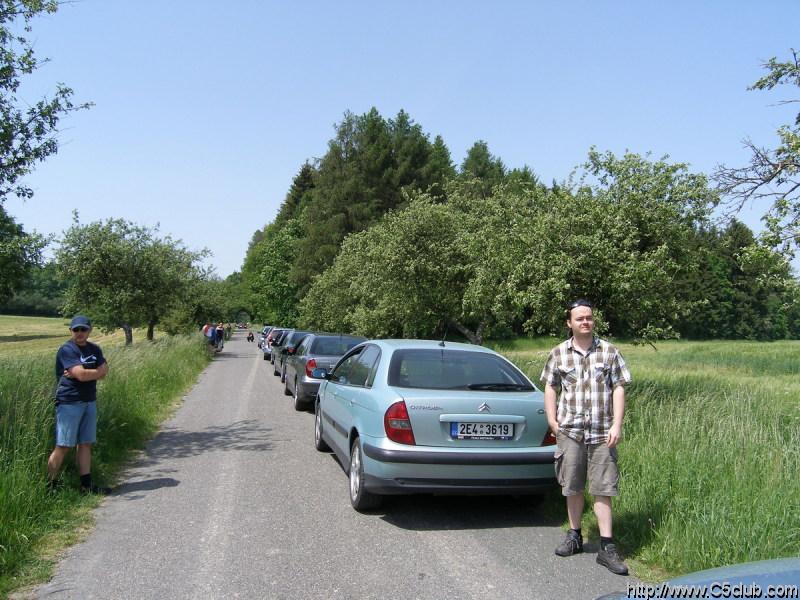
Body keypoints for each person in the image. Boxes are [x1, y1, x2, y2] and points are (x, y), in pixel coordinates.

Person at [540, 299, 632, 575]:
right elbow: (550, 387)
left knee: (604, 487)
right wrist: (552, 421)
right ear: (569, 323)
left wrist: (617, 424)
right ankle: (575, 536)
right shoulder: (559, 353)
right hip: (570, 430)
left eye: (589, 318)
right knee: (573, 485)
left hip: (602, 432)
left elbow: (619, 387)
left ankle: (606, 546)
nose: (585, 322)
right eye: (579, 318)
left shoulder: (609, 352)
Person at [47, 315, 112, 495]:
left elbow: (103, 372)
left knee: (85, 443)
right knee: (63, 445)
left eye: (83, 329)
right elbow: (82, 374)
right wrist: (95, 372)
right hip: (69, 402)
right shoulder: (67, 350)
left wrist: (90, 373)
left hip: (89, 400)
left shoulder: (95, 349)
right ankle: (50, 486)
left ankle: (86, 485)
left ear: (89, 330)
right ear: (71, 331)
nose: (80, 333)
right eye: (76, 330)